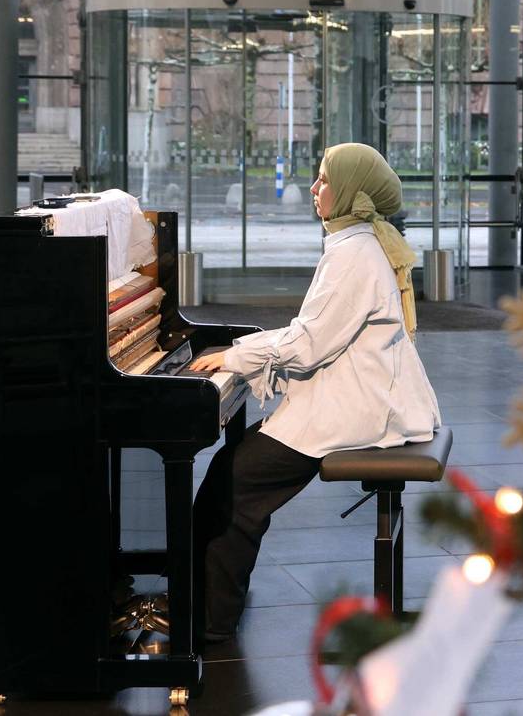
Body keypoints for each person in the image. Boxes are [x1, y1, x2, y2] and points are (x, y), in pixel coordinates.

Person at [188, 142, 441, 642]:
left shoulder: (354, 253)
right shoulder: (359, 243)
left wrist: (236, 357)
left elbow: (307, 344)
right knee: (231, 470)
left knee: (234, 479)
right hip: (362, 397)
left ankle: (208, 620)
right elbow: (314, 332)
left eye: (324, 179)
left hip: (363, 409)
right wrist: (244, 352)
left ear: (349, 191)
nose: (313, 188)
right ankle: (210, 602)